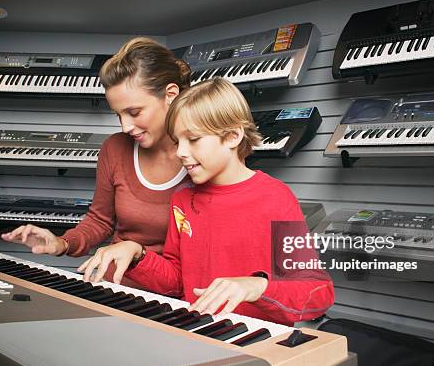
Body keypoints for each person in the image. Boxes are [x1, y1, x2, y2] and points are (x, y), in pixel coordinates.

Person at [79, 77, 334, 325]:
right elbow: (178, 283)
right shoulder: (182, 199)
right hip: (198, 334)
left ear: (233, 136)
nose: (180, 152)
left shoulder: (276, 198)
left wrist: (257, 286)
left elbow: (317, 292)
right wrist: (137, 253)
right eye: (178, 141)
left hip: (253, 341)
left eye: (194, 139)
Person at [1, 37, 192, 284]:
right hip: (114, 285)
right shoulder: (115, 148)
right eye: (118, 114)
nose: (126, 127)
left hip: (175, 294)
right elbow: (100, 220)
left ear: (170, 95)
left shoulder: (203, 156)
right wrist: (61, 243)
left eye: (134, 112)